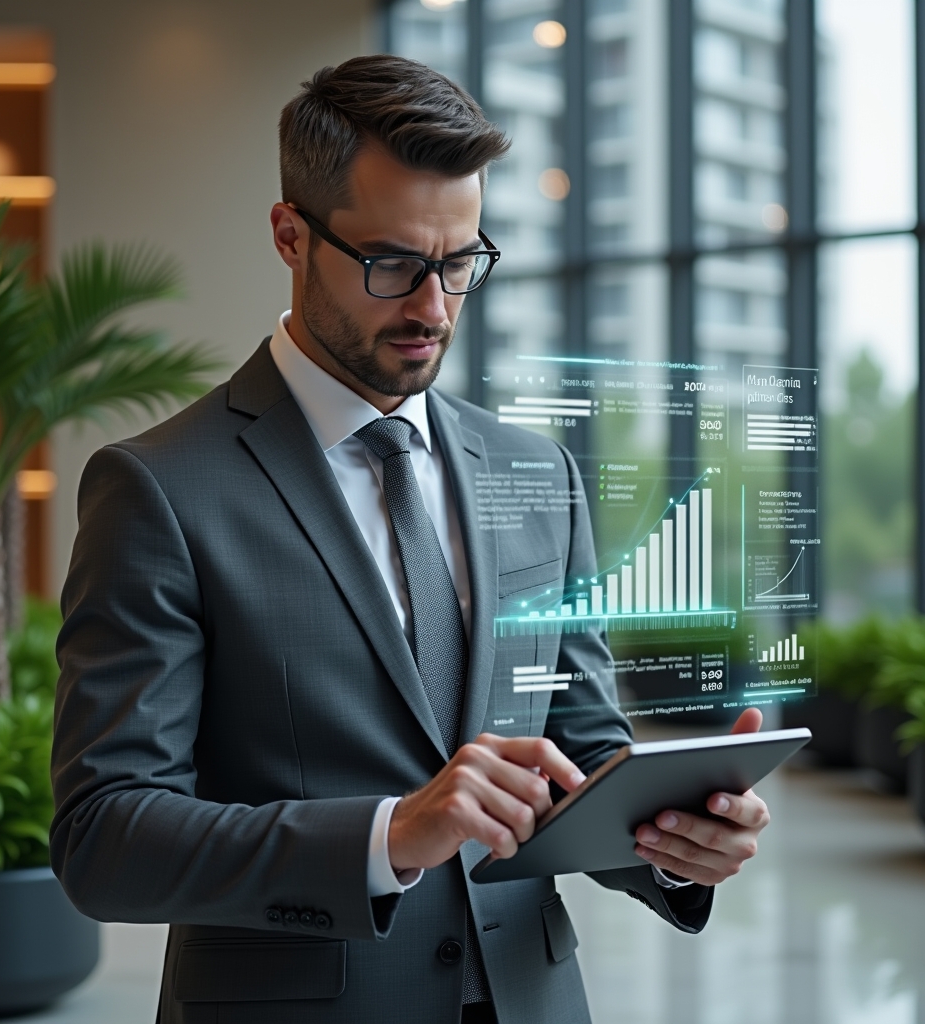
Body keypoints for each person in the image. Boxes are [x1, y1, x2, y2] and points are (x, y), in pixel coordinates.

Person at [50, 55, 770, 1024]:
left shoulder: (538, 475)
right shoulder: (159, 488)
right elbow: (106, 839)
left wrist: (679, 845)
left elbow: (581, 750)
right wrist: (389, 833)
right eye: (393, 264)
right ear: (289, 235)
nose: (433, 307)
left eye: (460, 261)